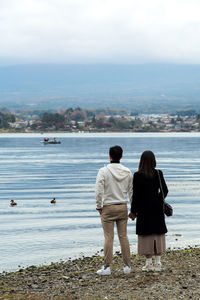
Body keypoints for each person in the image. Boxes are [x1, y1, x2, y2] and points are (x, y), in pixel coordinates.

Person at [95, 145, 133, 275]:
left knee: (109, 237)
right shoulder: (127, 172)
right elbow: (131, 192)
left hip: (108, 207)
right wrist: (133, 209)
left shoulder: (103, 171)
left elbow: (99, 191)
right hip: (122, 206)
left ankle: (107, 267)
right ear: (121, 156)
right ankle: (127, 266)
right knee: (123, 236)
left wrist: (99, 206)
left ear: (109, 156)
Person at [129, 150, 168, 272]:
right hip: (157, 208)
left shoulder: (137, 175)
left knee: (146, 235)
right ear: (154, 161)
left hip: (144, 209)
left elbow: (136, 196)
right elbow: (165, 190)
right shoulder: (158, 173)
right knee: (158, 234)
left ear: (141, 161)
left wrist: (133, 211)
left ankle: (148, 263)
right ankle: (158, 263)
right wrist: (158, 199)